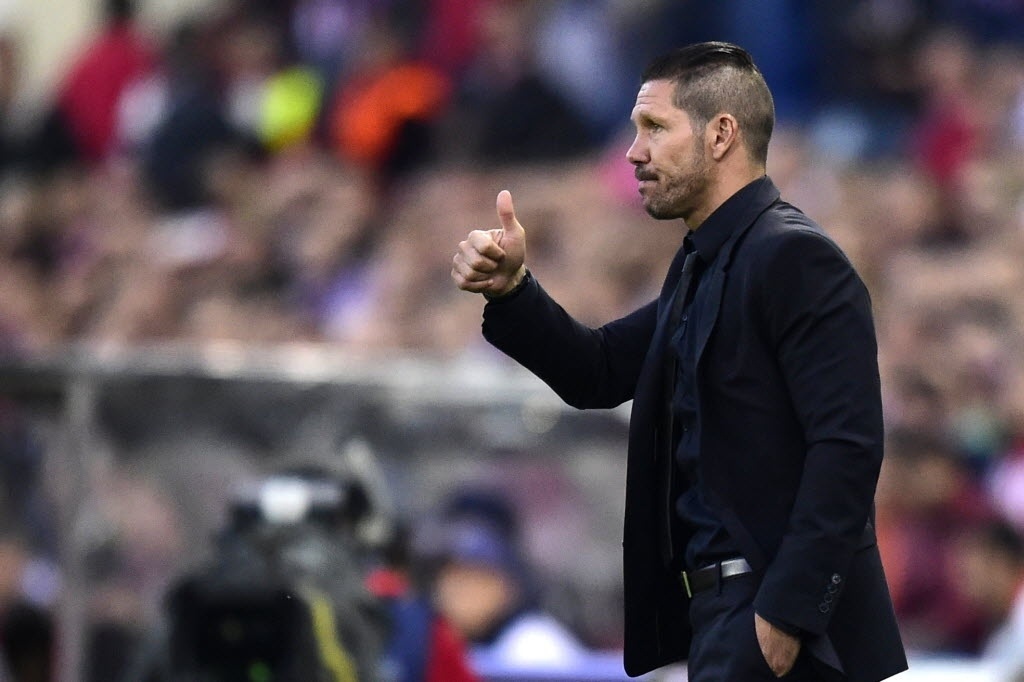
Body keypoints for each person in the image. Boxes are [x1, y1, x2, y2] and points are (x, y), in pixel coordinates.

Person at [451, 42, 908, 681]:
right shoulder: (703, 265)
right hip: (723, 617)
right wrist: (513, 292)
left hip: (779, 625)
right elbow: (600, 370)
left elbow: (848, 448)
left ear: (721, 135)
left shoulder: (795, 259)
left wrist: (785, 619)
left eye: (654, 128)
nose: (633, 152)